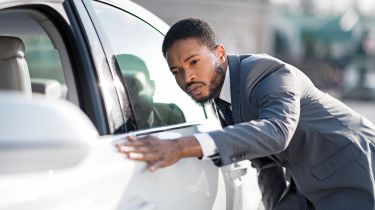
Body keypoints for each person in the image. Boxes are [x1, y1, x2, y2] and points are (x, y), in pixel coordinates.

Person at [116, 18, 375, 210]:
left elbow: (276, 132)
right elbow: (266, 163)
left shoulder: (268, 74)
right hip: (305, 183)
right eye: (176, 71)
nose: (187, 77)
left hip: (352, 167)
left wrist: (183, 145)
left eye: (194, 61)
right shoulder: (220, 98)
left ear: (219, 53)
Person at [117, 53, 185, 130]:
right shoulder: (106, 126)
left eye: (134, 87)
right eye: (120, 91)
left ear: (152, 87)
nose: (128, 97)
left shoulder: (172, 115)